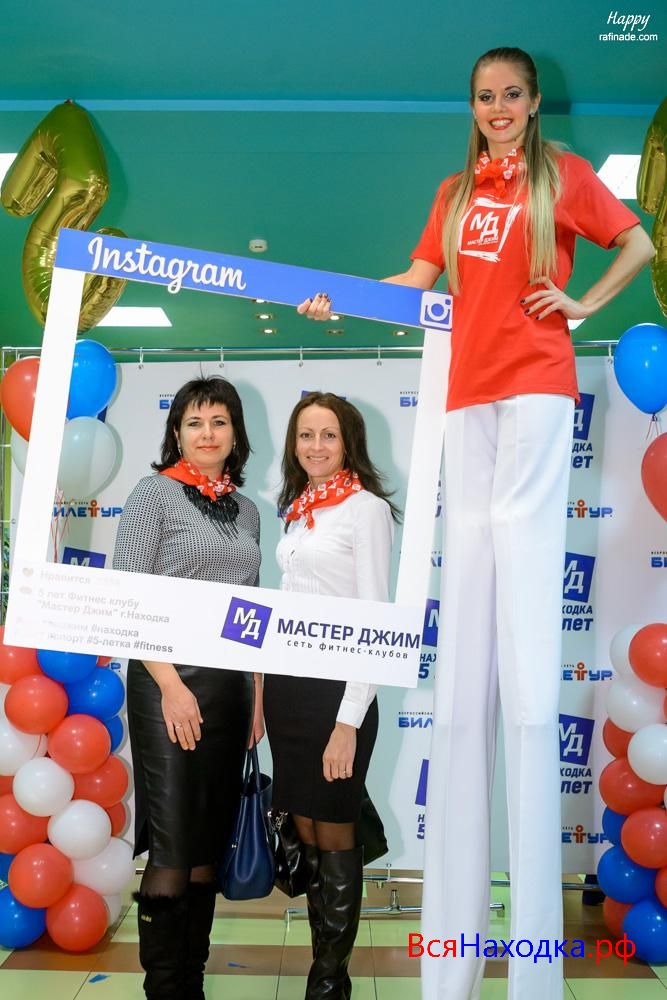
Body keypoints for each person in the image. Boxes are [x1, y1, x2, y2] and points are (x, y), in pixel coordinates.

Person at [298, 48, 654, 1000]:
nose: (497, 108)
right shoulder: (454, 193)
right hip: (463, 397)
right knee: (464, 643)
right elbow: (417, 279)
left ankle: (534, 974)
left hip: (536, 390)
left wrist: (580, 304)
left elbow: (637, 244)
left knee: (528, 651)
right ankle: (449, 972)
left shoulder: (561, 176)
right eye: (484, 97)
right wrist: (342, 302)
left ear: (532, 103)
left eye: (511, 95)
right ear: (473, 107)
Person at [112, 376, 263, 1000]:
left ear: (235, 434)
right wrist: (172, 687)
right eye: (195, 422)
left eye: (219, 422)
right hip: (165, 681)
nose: (207, 433)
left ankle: (191, 984)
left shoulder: (247, 509)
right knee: (174, 847)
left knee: (206, 847)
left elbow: (253, 614)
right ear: (176, 432)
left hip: (230, 689)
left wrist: (257, 697)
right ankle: (164, 989)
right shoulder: (153, 493)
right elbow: (128, 595)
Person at [263, 391, 396, 1000]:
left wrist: (349, 721)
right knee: (307, 829)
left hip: (339, 693)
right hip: (289, 691)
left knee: (336, 827)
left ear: (349, 444)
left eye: (328, 435)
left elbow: (374, 622)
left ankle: (326, 982)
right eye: (305, 435)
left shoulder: (366, 510)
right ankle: (328, 973)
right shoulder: (297, 510)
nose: (315, 446)